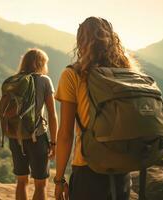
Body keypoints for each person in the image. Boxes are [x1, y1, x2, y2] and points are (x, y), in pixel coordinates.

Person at [54, 17, 134, 200]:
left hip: (88, 169)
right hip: (122, 168)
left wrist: (59, 180)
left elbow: (66, 134)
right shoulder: (126, 73)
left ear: (80, 41)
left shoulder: (73, 75)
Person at [8, 48, 58, 200]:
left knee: (21, 182)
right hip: (37, 137)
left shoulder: (14, 80)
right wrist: (54, 142)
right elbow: (52, 114)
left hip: (15, 136)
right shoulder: (44, 80)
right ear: (41, 63)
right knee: (41, 183)